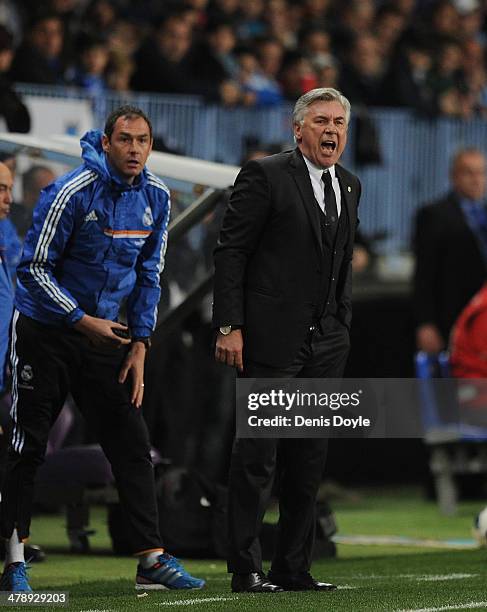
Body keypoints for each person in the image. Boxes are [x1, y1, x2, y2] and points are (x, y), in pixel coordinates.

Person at [0, 105, 205, 592]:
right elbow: (34, 272)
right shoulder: (69, 192)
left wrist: (140, 342)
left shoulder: (156, 196)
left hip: (105, 337)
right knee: (26, 446)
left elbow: (150, 274)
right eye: (126, 139)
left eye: (143, 141)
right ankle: (13, 564)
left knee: (132, 442)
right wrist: (80, 319)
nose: (135, 148)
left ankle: (150, 560)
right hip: (45, 332)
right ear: (108, 143)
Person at [212, 87, 360, 593]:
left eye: (339, 122)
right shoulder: (266, 174)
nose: (331, 130)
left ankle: (293, 567)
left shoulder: (350, 185)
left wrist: (339, 323)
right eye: (321, 121)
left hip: (326, 343)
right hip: (272, 341)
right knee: (258, 458)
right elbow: (231, 251)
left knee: (308, 459)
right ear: (298, 130)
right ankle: (246, 568)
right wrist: (230, 326)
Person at [413, 148, 487, 353]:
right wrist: (425, 323)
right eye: (469, 173)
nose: (476, 180)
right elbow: (424, 274)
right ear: (454, 176)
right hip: (452, 319)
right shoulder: (433, 215)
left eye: (481, 173)